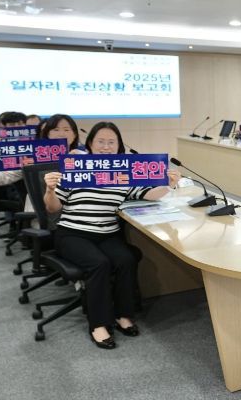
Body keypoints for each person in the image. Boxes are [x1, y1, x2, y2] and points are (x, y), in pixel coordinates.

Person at [43, 122, 181, 350]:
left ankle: (123, 315)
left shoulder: (122, 173)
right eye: (100, 141)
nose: (106, 147)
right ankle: (98, 324)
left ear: (118, 147)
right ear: (90, 144)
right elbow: (52, 208)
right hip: (73, 234)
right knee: (99, 264)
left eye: (111, 142)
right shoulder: (76, 169)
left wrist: (168, 184)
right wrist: (49, 190)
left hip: (107, 234)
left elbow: (148, 194)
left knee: (126, 259)